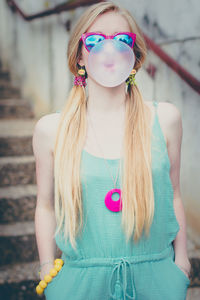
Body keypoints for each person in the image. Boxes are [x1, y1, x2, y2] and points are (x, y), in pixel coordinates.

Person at [32, 1, 191, 299]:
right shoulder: (51, 130)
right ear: (80, 54)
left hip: (156, 280)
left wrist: (180, 264)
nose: (109, 48)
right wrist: (45, 266)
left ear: (134, 55)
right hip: (79, 285)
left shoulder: (165, 119)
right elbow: (45, 205)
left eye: (122, 39)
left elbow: (175, 193)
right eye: (94, 40)